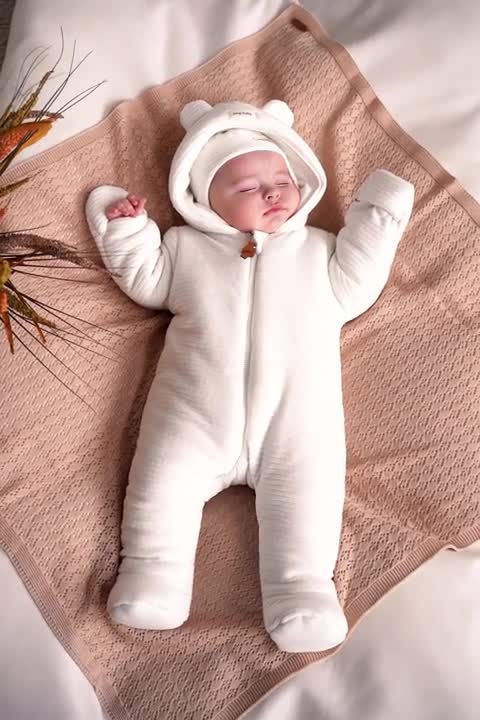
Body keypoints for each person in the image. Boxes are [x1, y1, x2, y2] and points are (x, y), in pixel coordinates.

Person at [85, 99, 414, 653]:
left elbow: (360, 280)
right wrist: (126, 227)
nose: (272, 192)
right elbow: (144, 278)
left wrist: (379, 213)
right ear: (202, 200)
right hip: (193, 416)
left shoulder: (318, 251)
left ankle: (301, 590)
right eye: (247, 186)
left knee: (309, 499)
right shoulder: (184, 249)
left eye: (282, 180)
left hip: (295, 425)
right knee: (161, 481)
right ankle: (152, 572)